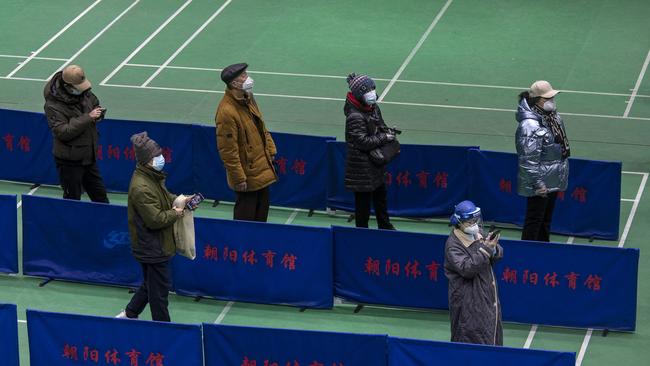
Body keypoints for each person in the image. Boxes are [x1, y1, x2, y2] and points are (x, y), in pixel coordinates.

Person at [117, 132, 191, 322]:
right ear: (148, 161)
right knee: (159, 292)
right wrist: (177, 213)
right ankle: (163, 330)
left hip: (154, 244)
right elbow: (155, 219)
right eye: (156, 156)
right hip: (152, 247)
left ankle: (130, 313)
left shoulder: (152, 177)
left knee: (151, 284)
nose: (161, 158)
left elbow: (164, 197)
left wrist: (181, 200)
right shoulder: (142, 187)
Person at [215, 63, 277, 222]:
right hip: (246, 177)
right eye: (243, 75)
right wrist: (238, 178)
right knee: (245, 221)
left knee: (261, 217)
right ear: (234, 83)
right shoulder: (226, 112)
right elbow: (228, 151)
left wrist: (271, 151)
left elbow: (262, 127)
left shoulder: (248, 98)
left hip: (261, 169)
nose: (248, 77)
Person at [43, 65, 109, 203]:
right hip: (69, 162)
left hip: (88, 157)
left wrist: (98, 112)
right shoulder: (53, 105)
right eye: (79, 88)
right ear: (68, 86)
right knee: (72, 200)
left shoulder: (83, 92)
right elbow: (63, 132)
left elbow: (94, 101)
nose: (84, 91)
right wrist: (88, 117)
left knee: (101, 198)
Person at [516, 80, 570, 242]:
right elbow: (528, 160)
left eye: (552, 98)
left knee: (545, 220)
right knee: (535, 220)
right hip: (539, 183)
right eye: (547, 99)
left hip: (551, 178)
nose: (551, 101)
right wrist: (538, 183)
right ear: (536, 100)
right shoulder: (529, 126)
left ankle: (543, 250)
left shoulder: (551, 117)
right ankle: (527, 254)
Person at [444, 200, 503, 345]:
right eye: (469, 222)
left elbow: (497, 254)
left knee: (491, 336)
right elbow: (467, 269)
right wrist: (486, 249)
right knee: (470, 340)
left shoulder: (478, 234)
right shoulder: (453, 246)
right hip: (468, 303)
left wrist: (493, 248)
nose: (474, 224)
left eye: (475, 220)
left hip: (486, 297)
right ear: (459, 223)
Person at [344, 73, 395, 230]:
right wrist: (384, 137)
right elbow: (362, 142)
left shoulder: (373, 108)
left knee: (381, 199)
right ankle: (362, 234)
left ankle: (385, 227)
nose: (372, 93)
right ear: (359, 94)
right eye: (368, 90)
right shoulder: (354, 116)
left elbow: (380, 125)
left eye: (373, 88)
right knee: (363, 207)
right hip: (361, 170)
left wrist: (388, 132)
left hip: (375, 165)